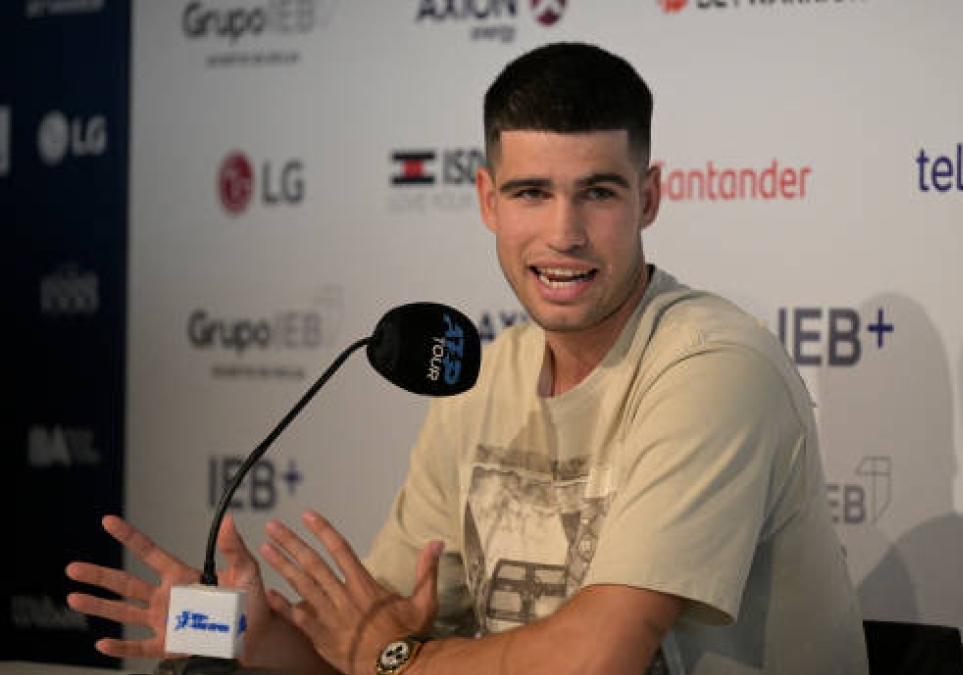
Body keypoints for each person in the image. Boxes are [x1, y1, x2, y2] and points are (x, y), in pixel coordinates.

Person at [66, 42, 867, 675]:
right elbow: (370, 645)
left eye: (599, 191)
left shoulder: (713, 368)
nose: (564, 233)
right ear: (487, 199)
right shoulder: (478, 378)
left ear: (649, 197)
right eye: (530, 194)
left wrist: (394, 657)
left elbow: (591, 659)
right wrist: (245, 631)